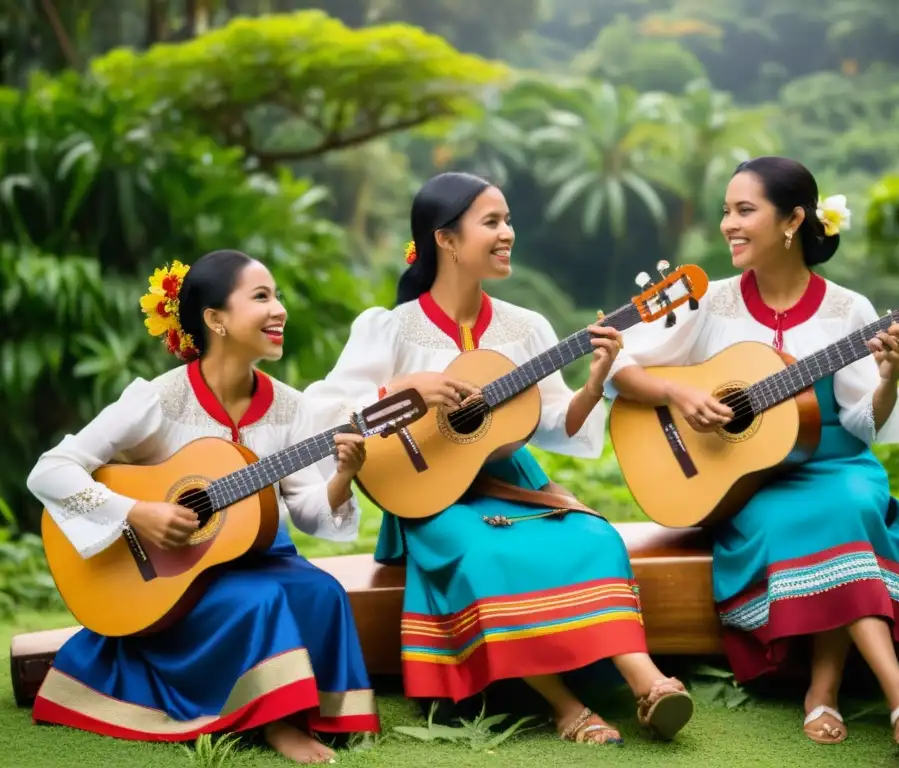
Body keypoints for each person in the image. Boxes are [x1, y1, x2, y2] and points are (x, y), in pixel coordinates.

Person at [302, 172, 693, 745]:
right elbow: (325, 408)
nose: (508, 233)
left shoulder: (526, 326)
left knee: (597, 539)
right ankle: (566, 707)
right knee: (484, 555)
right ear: (447, 239)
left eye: (508, 220)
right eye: (492, 222)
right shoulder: (389, 328)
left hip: (514, 482)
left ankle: (649, 683)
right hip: (429, 496)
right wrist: (403, 394)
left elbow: (556, 423)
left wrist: (593, 384)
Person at [606, 157, 899, 749]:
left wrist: (890, 379)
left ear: (793, 220)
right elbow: (616, 360)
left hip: (838, 467)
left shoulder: (847, 310)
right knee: (817, 519)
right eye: (726, 212)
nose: (728, 225)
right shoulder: (710, 303)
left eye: (745, 211)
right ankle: (896, 693)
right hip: (752, 482)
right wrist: (677, 391)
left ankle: (832, 691)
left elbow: (865, 424)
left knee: (840, 509)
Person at [26, 250, 379, 764]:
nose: (279, 309)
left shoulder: (291, 407)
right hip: (173, 572)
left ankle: (322, 710)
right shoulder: (157, 400)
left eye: (277, 295)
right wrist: (135, 512)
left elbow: (307, 510)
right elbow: (50, 470)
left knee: (324, 592)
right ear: (215, 319)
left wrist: (343, 478)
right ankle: (278, 725)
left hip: (260, 554)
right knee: (261, 602)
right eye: (261, 297)